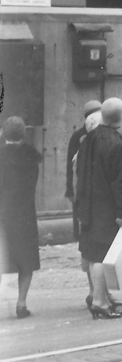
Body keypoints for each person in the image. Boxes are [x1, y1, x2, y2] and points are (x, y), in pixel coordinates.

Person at [75, 98, 122, 319]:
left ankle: (98, 296)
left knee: (91, 254)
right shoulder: (117, 143)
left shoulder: (87, 138)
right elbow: (118, 182)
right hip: (106, 206)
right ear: (119, 119)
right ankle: (100, 301)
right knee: (102, 254)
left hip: (87, 203)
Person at [1, 117, 42, 319]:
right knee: (25, 261)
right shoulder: (31, 159)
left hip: (1, 215)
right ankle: (21, 303)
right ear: (23, 135)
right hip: (24, 214)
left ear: (3, 133)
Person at [66, 101, 103, 240]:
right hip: (80, 181)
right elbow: (70, 164)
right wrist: (69, 188)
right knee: (80, 211)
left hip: (94, 182)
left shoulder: (102, 134)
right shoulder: (78, 136)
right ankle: (80, 238)